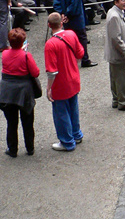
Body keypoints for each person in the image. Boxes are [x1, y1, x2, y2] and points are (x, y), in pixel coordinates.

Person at [0, 27, 39, 157]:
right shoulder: (26, 56)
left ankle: (12, 149)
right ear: (23, 41)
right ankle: (30, 148)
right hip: (23, 92)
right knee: (27, 121)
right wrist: (23, 52)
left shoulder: (5, 54)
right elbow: (35, 72)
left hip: (7, 91)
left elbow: (12, 55)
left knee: (11, 122)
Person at [44, 11, 85, 151]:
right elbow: (80, 53)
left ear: (49, 25)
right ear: (62, 23)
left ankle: (67, 141)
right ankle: (76, 134)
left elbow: (52, 71)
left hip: (60, 83)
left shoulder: (50, 44)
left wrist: (48, 88)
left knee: (61, 113)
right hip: (74, 78)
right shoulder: (72, 34)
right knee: (73, 108)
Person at [53, 0, 97, 67]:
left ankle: (71, 59)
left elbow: (56, 0)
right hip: (76, 17)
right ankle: (85, 59)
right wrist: (67, 15)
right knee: (82, 38)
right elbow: (75, 5)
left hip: (65, 16)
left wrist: (62, 14)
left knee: (68, 38)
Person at [104, 0, 125, 111]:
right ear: (116, 2)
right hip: (118, 53)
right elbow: (115, 37)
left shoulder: (115, 12)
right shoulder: (114, 16)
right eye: (122, 0)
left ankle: (117, 99)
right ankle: (124, 102)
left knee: (115, 76)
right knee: (122, 78)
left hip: (115, 53)